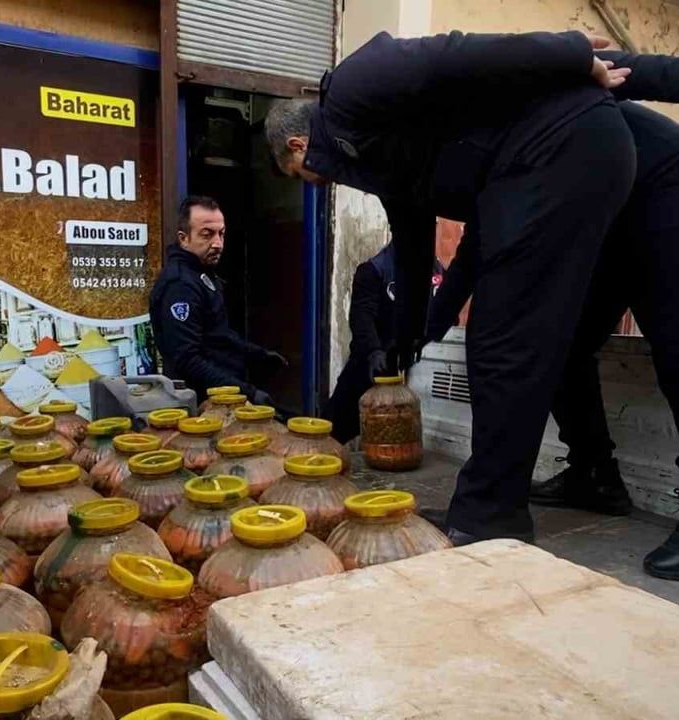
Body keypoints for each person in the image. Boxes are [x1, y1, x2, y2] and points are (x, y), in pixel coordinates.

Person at [266, 29, 640, 548]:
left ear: (298, 145)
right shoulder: (379, 155)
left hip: (559, 160)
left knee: (506, 344)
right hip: (538, 172)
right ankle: (507, 504)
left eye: (303, 175)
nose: (317, 184)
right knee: (504, 341)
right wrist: (412, 333)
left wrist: (575, 53)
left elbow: (464, 52)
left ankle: (490, 517)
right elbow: (415, 239)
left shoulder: (355, 89)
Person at [423, 53, 679, 580]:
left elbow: (616, 67)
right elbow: (474, 252)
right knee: (557, 345)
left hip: (663, 178)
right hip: (602, 207)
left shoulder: (495, 82)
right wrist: (423, 332)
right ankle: (594, 474)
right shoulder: (477, 160)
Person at [150, 196, 286, 405]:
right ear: (183, 238)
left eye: (221, 234)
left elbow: (217, 334)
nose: (217, 244)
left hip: (217, 397)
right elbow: (187, 359)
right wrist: (248, 392)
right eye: (207, 234)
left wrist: (257, 354)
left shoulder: (201, 274)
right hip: (197, 405)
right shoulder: (180, 285)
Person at [327, 240, 444, 443]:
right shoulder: (374, 270)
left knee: (396, 437)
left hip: (413, 366)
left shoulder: (436, 272)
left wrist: (423, 340)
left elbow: (444, 311)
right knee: (334, 430)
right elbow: (362, 316)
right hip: (372, 366)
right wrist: (374, 351)